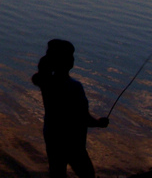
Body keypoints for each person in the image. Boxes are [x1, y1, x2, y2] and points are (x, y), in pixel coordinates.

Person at [32, 39, 109, 178]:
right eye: (70, 56)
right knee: (88, 174)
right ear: (64, 60)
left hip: (52, 136)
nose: (73, 59)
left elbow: (36, 78)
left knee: (57, 173)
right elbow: (83, 118)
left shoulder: (46, 82)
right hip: (72, 142)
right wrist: (99, 123)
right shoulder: (74, 87)